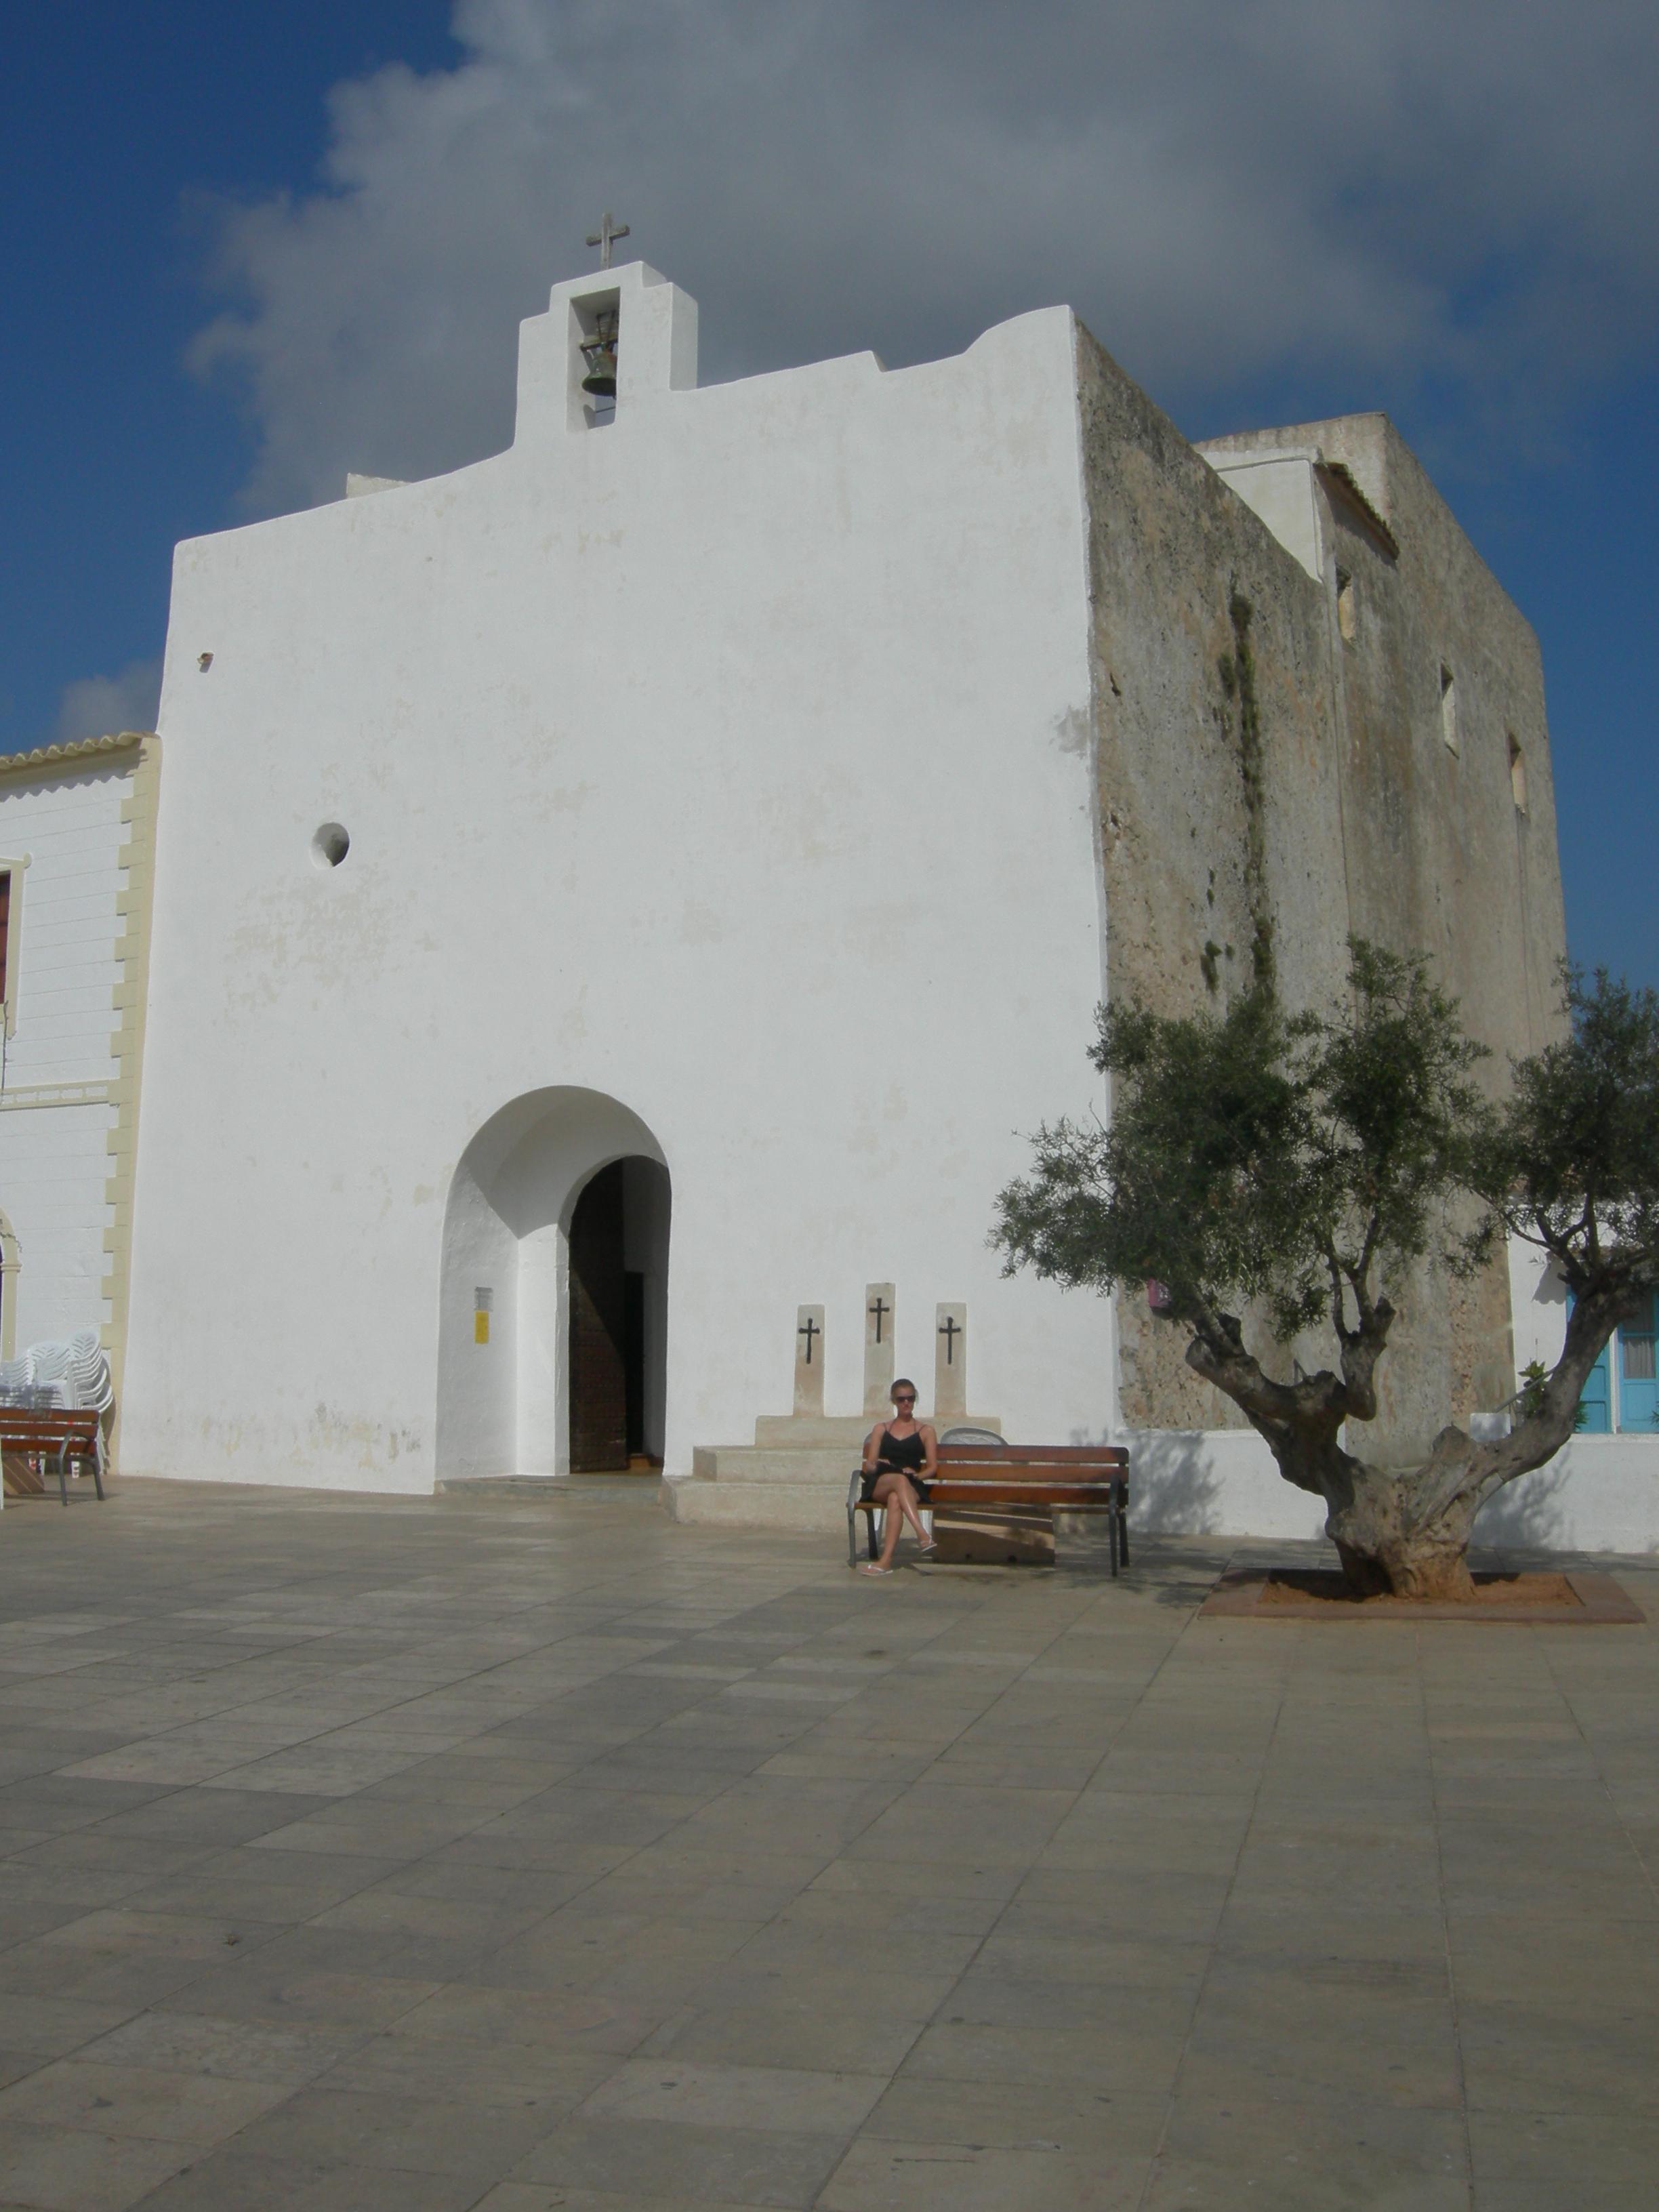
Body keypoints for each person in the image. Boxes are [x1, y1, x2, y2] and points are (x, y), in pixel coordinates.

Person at [856, 1379, 938, 1574]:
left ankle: (885, 1561)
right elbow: (871, 1464)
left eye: (910, 1398)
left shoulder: (926, 1431)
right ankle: (922, 1534)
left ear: (915, 1399)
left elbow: (933, 1468)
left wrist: (918, 1475)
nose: (906, 1403)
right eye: (901, 1399)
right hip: (883, 1481)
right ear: (894, 1401)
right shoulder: (881, 1429)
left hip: (911, 1482)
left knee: (896, 1498)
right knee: (898, 1481)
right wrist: (876, 1465)